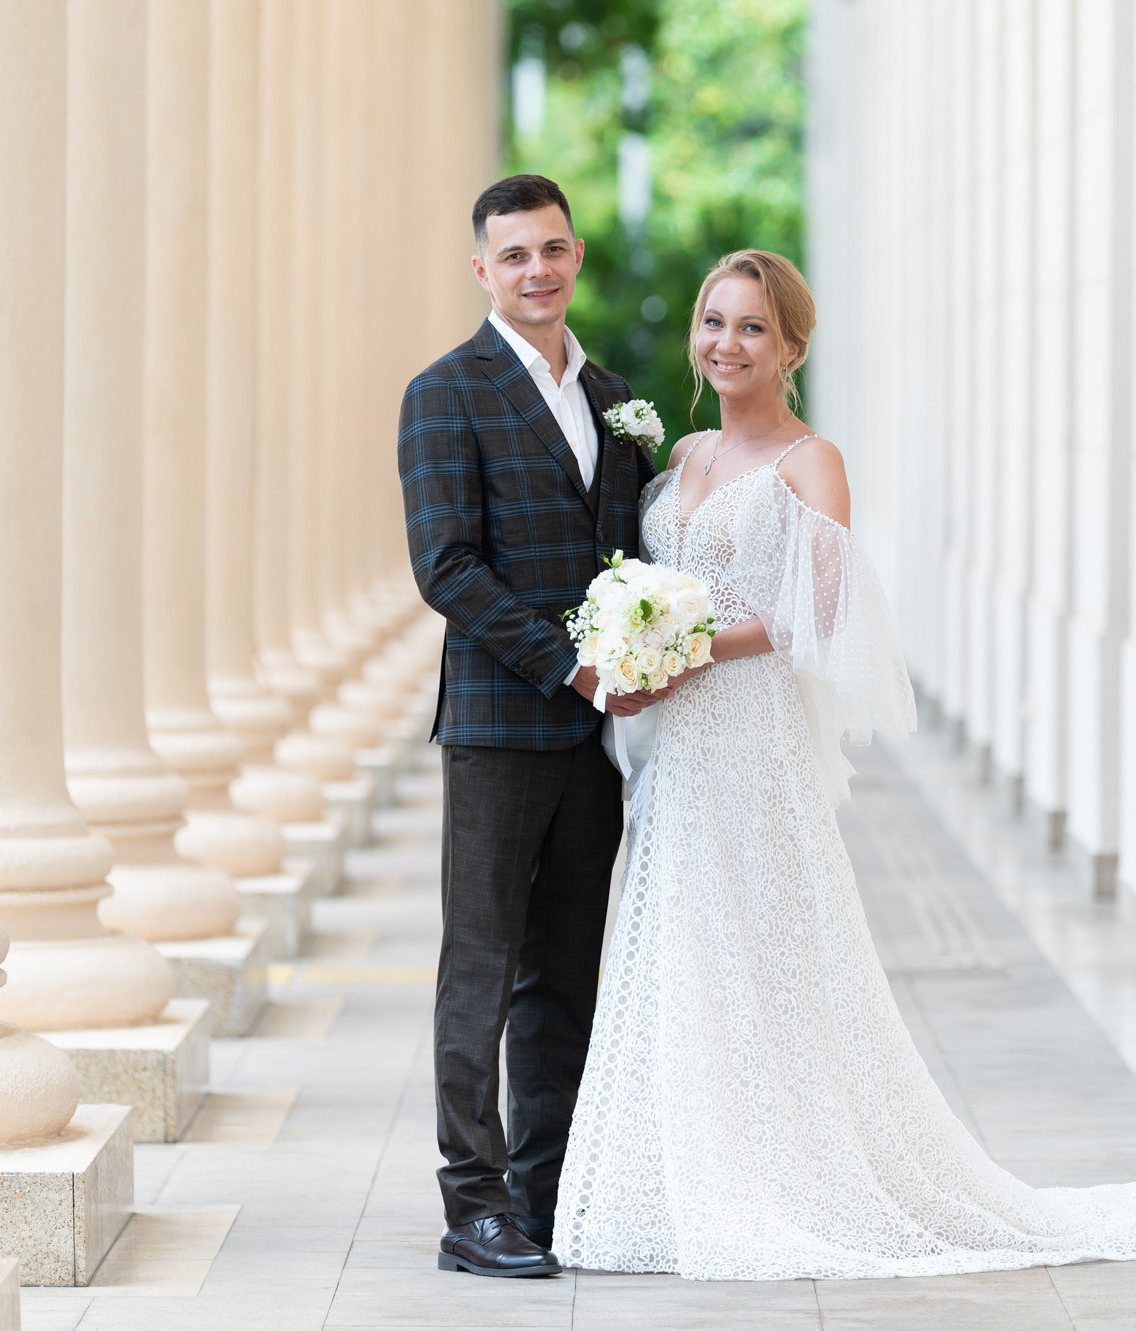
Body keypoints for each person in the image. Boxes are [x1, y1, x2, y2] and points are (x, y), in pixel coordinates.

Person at [554, 250, 1136, 1279]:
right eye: (714, 321)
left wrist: (686, 644)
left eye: (752, 326)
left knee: (769, 944)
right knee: (685, 936)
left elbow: (817, 612)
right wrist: (635, 641)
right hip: (677, 746)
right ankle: (691, 1166)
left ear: (791, 346)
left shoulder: (809, 460)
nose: (727, 343)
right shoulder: (682, 452)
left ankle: (797, 1172)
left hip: (751, 735)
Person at [399, 175, 657, 1278]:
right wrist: (573, 663)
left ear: (576, 254)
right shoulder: (443, 393)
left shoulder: (614, 397)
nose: (536, 270)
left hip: (594, 741)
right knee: (481, 966)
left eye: (551, 249)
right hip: (502, 725)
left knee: (564, 969)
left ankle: (546, 1197)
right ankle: (473, 1205)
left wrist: (648, 647)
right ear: (483, 270)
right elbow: (446, 565)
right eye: (514, 255)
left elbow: (629, 555)